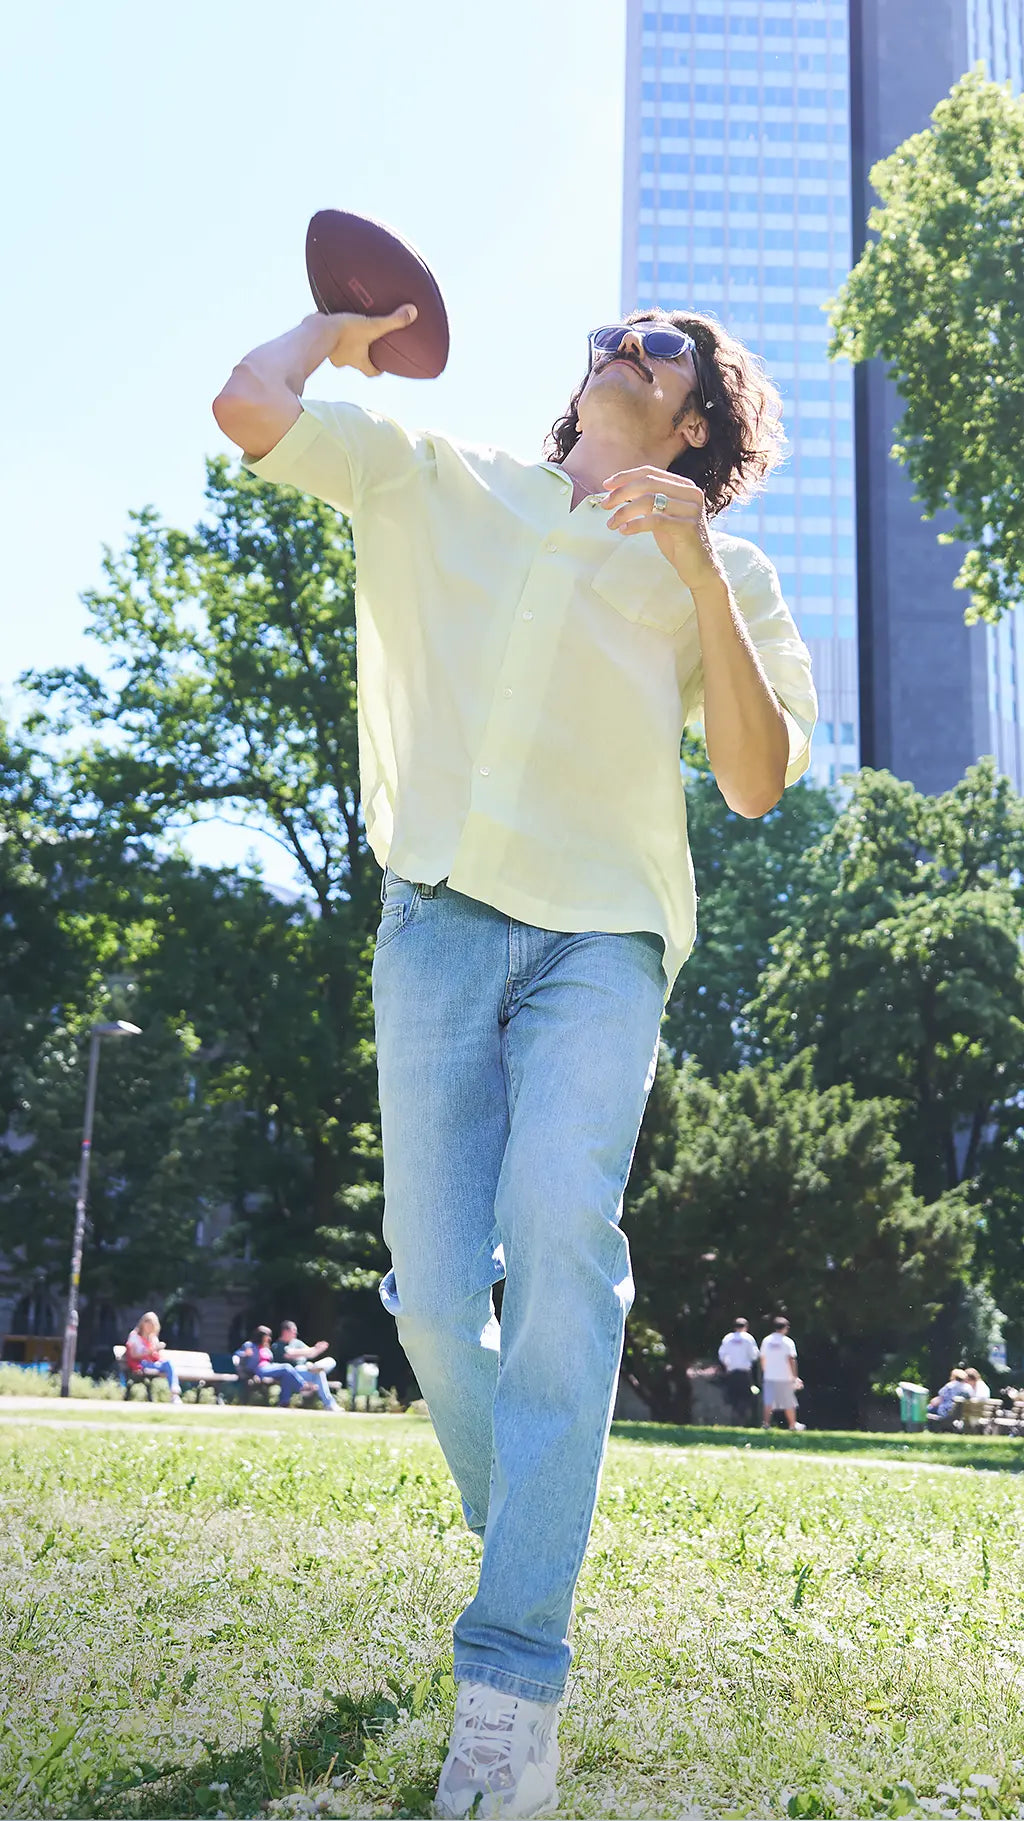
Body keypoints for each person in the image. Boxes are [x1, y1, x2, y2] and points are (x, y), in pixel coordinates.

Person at [214, 296, 816, 1819]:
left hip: (602, 942)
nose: (630, 341)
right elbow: (247, 409)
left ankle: (511, 1682)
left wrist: (694, 567)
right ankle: (523, 1538)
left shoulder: (726, 571)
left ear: (695, 423)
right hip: (436, 924)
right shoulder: (445, 479)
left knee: (560, 1224)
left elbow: (756, 782)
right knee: (431, 1299)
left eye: (666, 347)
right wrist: (333, 327)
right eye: (621, 328)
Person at [273, 1320, 339, 1411]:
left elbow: (311, 1353)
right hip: (294, 1373)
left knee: (331, 1361)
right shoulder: (277, 1346)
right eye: (293, 1331)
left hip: (307, 1369)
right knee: (319, 1373)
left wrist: (318, 1349)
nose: (295, 1333)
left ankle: (315, 1367)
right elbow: (290, 1354)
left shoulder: (297, 1342)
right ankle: (330, 1404)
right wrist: (313, 1349)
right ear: (285, 1332)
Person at [234, 1325, 307, 1408]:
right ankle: (303, 1387)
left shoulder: (266, 1348)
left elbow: (270, 1360)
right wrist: (245, 1354)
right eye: (267, 1336)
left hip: (268, 1367)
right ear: (261, 1336)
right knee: (286, 1367)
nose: (269, 1338)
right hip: (258, 1369)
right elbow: (237, 1355)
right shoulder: (250, 1345)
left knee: (286, 1374)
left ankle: (284, 1402)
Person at [123, 1311, 181, 1404]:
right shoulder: (134, 1336)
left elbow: (155, 1356)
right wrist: (149, 1351)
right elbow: (133, 1355)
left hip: (152, 1364)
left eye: (152, 1324)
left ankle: (175, 1394)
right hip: (140, 1364)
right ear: (142, 1323)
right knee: (152, 1364)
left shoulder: (153, 1338)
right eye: (147, 1322)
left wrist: (157, 1350)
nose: (149, 1326)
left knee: (168, 1363)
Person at [760, 1317, 804, 1431]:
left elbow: (762, 1358)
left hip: (770, 1376)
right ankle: (792, 1425)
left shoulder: (767, 1340)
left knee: (768, 1401)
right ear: (785, 1328)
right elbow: (791, 1359)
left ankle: (766, 1424)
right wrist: (794, 1377)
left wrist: (765, 1371)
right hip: (785, 1376)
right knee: (788, 1401)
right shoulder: (787, 1341)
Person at [718, 1317, 759, 1423]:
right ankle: (742, 1419)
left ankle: (734, 1417)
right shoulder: (748, 1338)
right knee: (745, 1397)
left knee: (733, 1397)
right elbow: (754, 1355)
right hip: (744, 1372)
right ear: (746, 1327)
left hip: (731, 1372)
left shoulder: (728, 1338)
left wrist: (727, 1365)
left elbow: (722, 1355)